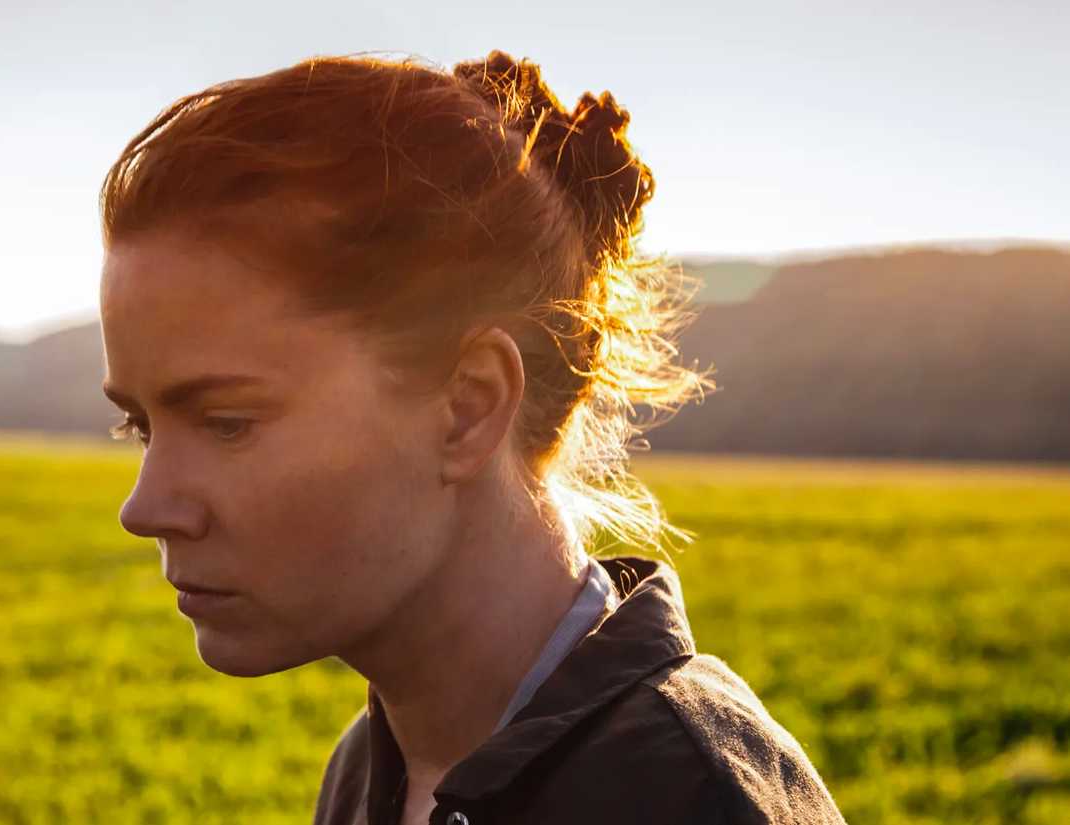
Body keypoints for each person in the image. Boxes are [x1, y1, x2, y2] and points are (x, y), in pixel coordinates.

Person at [96, 49, 847, 825]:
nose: (146, 506)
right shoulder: (369, 769)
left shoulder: (689, 800)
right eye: (139, 424)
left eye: (227, 422)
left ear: (468, 405)